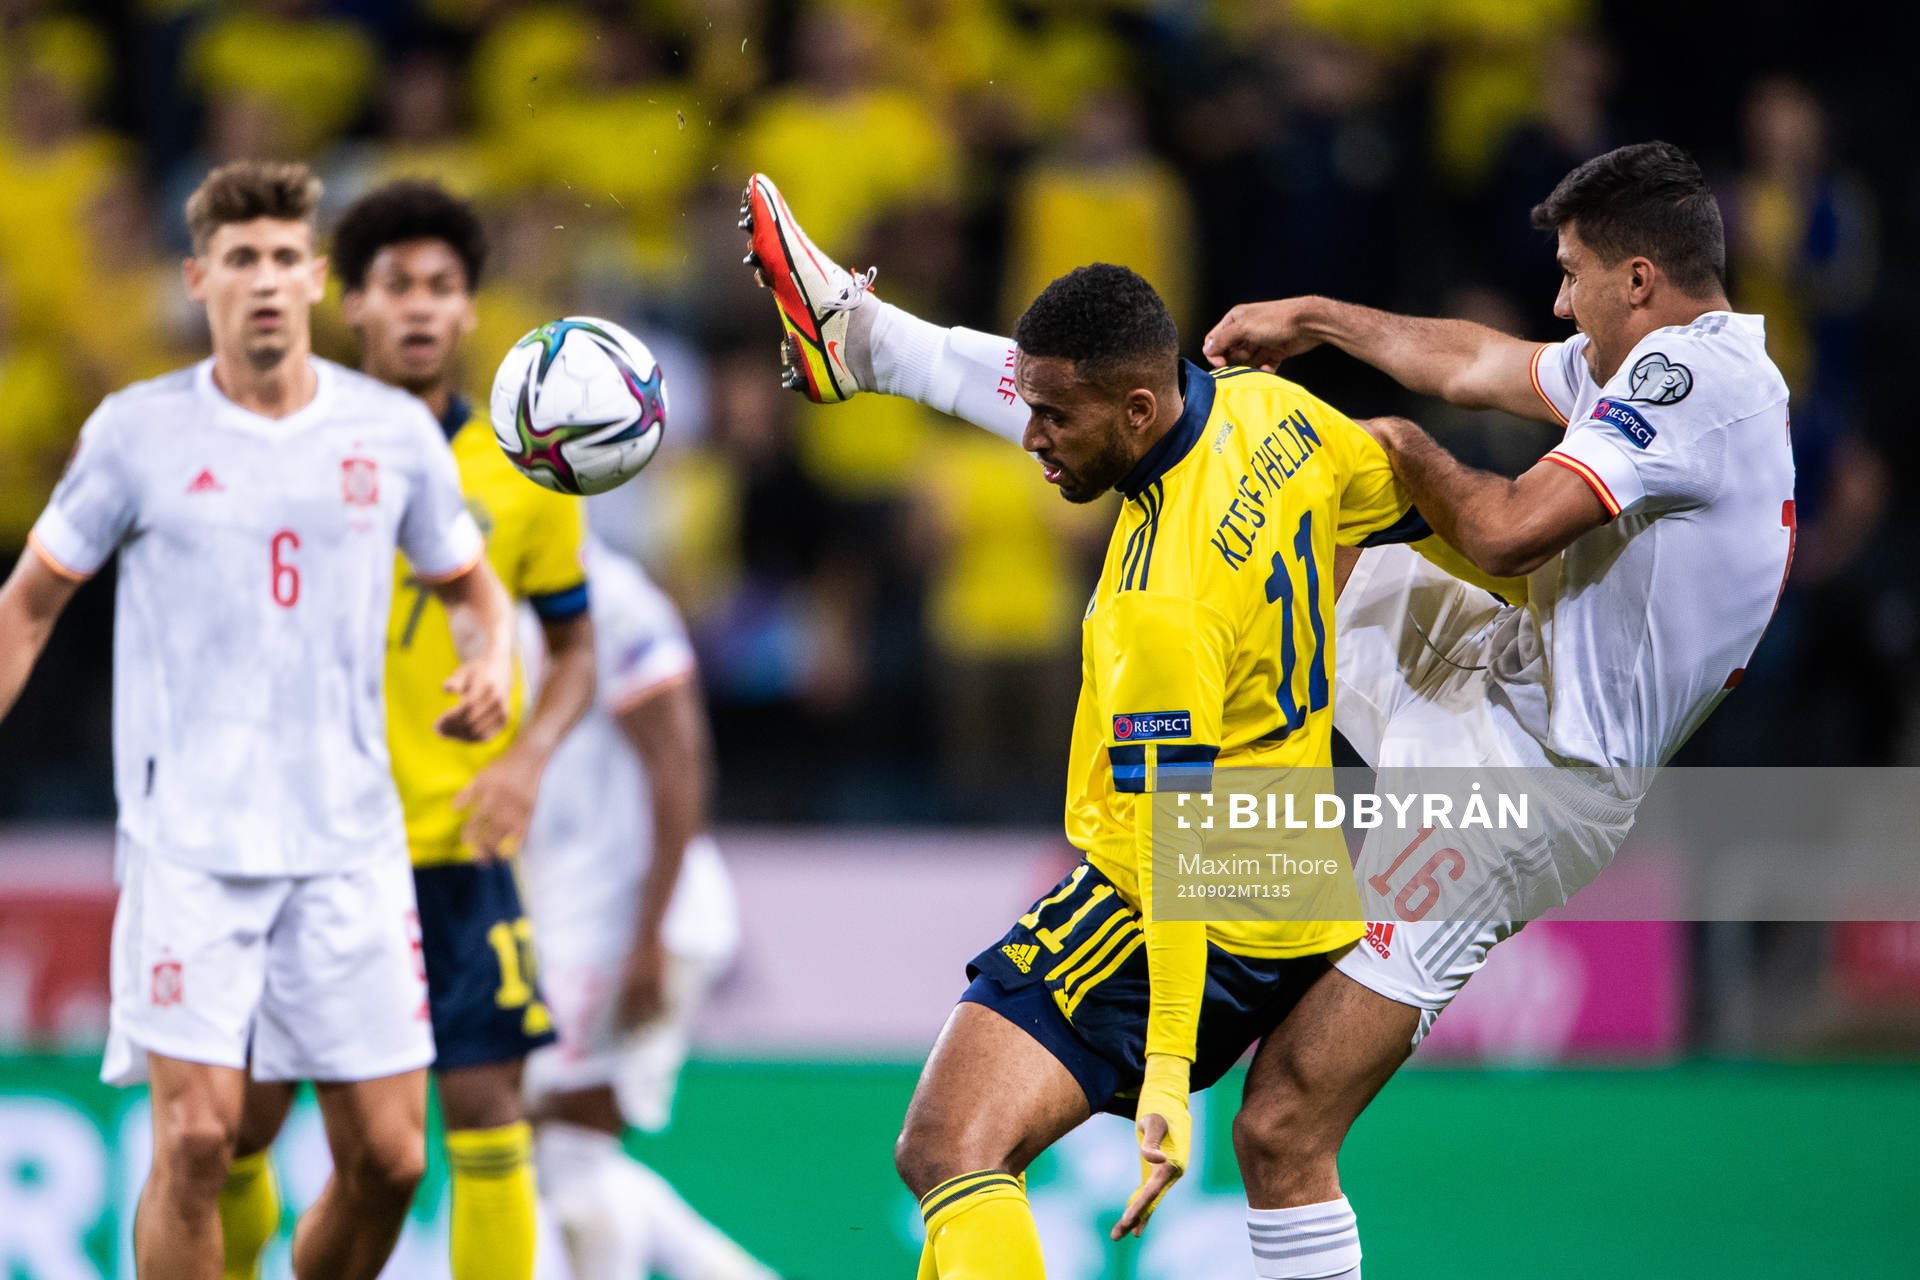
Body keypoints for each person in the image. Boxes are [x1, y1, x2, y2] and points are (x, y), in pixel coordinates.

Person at [756, 137, 1794, 1276]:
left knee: (1282, 1121)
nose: (1559, 299)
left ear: (1639, 279)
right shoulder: (1656, 361)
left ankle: (875, 346)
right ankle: (869, 342)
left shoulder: (1695, 385)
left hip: (1517, 778)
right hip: (1496, 658)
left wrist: (1397, 445)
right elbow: (1480, 362)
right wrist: (1322, 317)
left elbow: (1498, 526)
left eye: (1573, 273)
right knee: (1219, 432)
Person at [743, 173, 1449, 1280]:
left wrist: (1165, 1073)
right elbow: (1405, 495)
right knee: (1286, 1152)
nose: (1029, 439)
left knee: (948, 1144)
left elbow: (1179, 843)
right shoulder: (1272, 412)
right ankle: (871, 344)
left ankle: (870, 344)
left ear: (1136, 410)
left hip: (1178, 897)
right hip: (1301, 872)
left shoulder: (1160, 599)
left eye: (1052, 418)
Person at [0, 161, 517, 1280]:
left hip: (348, 845)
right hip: (189, 841)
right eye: (242, 259)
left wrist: (492, 665)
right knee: (195, 1136)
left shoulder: (387, 434)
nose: (268, 280)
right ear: (199, 280)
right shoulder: (136, 433)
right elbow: (30, 603)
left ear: (319, 278)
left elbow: (474, 591)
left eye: (287, 257)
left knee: (388, 1160)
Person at [215, 179, 598, 1280]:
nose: (421, 307)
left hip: (459, 838)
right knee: (240, 1118)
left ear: (471, 309)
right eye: (398, 286)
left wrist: (526, 759)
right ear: (356, 305)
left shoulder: (528, 475)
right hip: (304, 839)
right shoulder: (280, 447)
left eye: (442, 286)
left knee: (486, 1111)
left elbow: (575, 648)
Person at [519, 537, 776, 1280]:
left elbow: (680, 761)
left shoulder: (615, 600)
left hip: (626, 914)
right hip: (576, 915)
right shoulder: (501, 595)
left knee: (565, 1156)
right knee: (552, 1156)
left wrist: (648, 935)